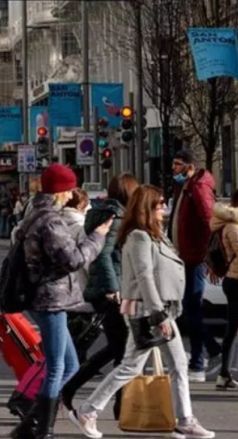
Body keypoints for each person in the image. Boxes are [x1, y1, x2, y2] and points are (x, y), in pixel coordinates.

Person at [69, 185, 215, 439]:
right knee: (131, 367)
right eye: (159, 204)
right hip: (147, 310)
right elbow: (144, 276)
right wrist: (157, 314)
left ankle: (185, 420)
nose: (164, 208)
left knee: (179, 365)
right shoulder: (139, 237)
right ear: (148, 207)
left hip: (162, 308)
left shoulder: (155, 234)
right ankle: (88, 410)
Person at [10, 164, 110, 439]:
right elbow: (73, 260)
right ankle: (43, 429)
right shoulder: (50, 220)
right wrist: (98, 237)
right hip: (50, 298)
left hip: (46, 296)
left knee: (70, 363)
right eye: (69, 188)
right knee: (57, 366)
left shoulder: (35, 213)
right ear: (61, 190)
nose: (71, 194)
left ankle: (30, 423)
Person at [62, 173, 139, 413]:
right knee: (122, 348)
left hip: (108, 289)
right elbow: (103, 255)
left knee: (119, 348)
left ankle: (118, 404)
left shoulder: (106, 213)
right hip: (112, 291)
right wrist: (113, 287)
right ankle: (75, 390)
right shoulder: (115, 218)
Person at [169, 149, 221, 381]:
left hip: (195, 258)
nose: (174, 168)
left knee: (192, 309)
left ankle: (204, 357)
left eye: (178, 164)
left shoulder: (198, 188)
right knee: (190, 309)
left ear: (190, 167)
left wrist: (208, 256)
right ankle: (202, 358)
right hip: (187, 256)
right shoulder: (186, 186)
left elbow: (209, 221)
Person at [210, 188, 238, 391]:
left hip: (235, 280)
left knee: (234, 328)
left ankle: (225, 374)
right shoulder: (235, 226)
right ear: (236, 205)